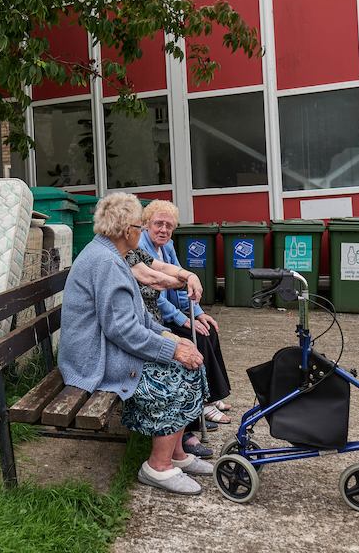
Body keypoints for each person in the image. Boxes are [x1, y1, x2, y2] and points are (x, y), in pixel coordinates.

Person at [58, 192, 214, 495]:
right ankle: (157, 467)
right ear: (126, 230)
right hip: (94, 359)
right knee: (178, 375)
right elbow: (122, 330)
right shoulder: (105, 262)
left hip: (105, 345)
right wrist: (173, 350)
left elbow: (139, 317)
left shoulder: (113, 256)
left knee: (191, 364)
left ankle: (177, 455)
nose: (142, 232)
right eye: (139, 227)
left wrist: (170, 337)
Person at [137, 200, 234, 428]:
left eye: (169, 225)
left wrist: (198, 313)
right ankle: (204, 403)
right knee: (197, 337)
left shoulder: (167, 245)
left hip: (171, 313)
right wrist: (184, 319)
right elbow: (154, 295)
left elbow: (181, 284)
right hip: (155, 318)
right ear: (146, 224)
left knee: (207, 329)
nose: (163, 230)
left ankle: (213, 395)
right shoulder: (141, 246)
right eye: (158, 224)